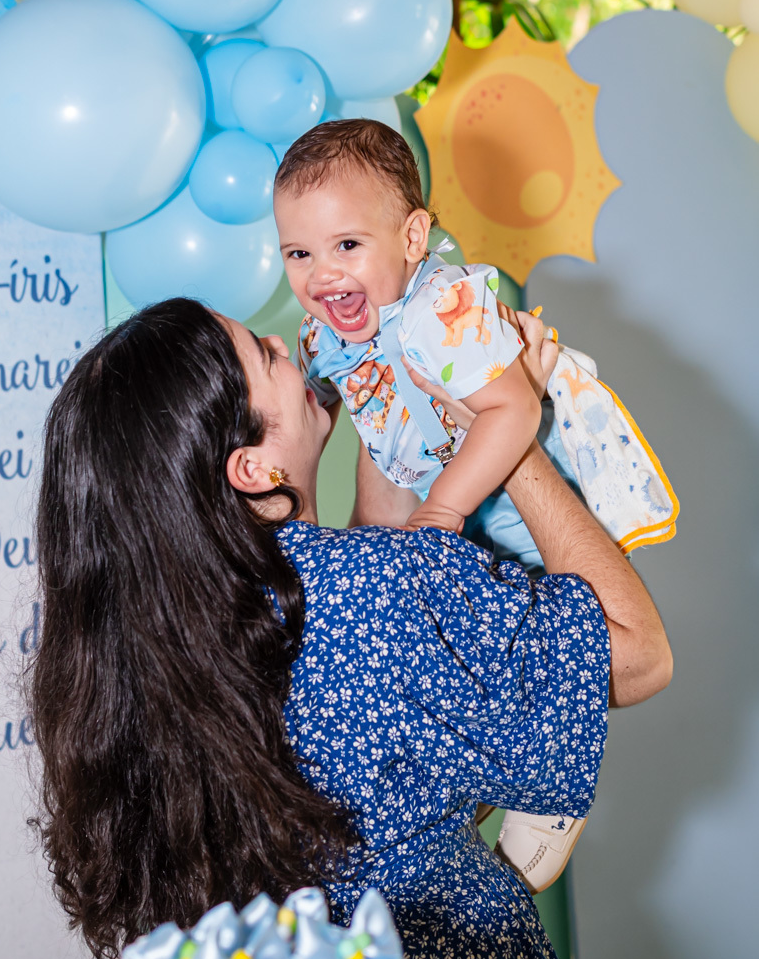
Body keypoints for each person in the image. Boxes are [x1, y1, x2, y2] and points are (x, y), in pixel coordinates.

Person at [28, 297, 671, 959]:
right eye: (266, 355)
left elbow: (373, 564)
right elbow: (638, 654)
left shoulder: (154, 648)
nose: (284, 343)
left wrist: (387, 402)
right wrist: (508, 431)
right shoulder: (375, 595)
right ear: (249, 469)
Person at [272, 117, 678, 888]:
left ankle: (546, 780)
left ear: (414, 237)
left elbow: (514, 413)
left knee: (536, 626)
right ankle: (507, 776)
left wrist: (444, 513)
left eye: (347, 245)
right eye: (299, 253)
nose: (322, 273)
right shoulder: (333, 331)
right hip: (456, 488)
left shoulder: (441, 310)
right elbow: (370, 412)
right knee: (467, 654)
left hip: (506, 503)